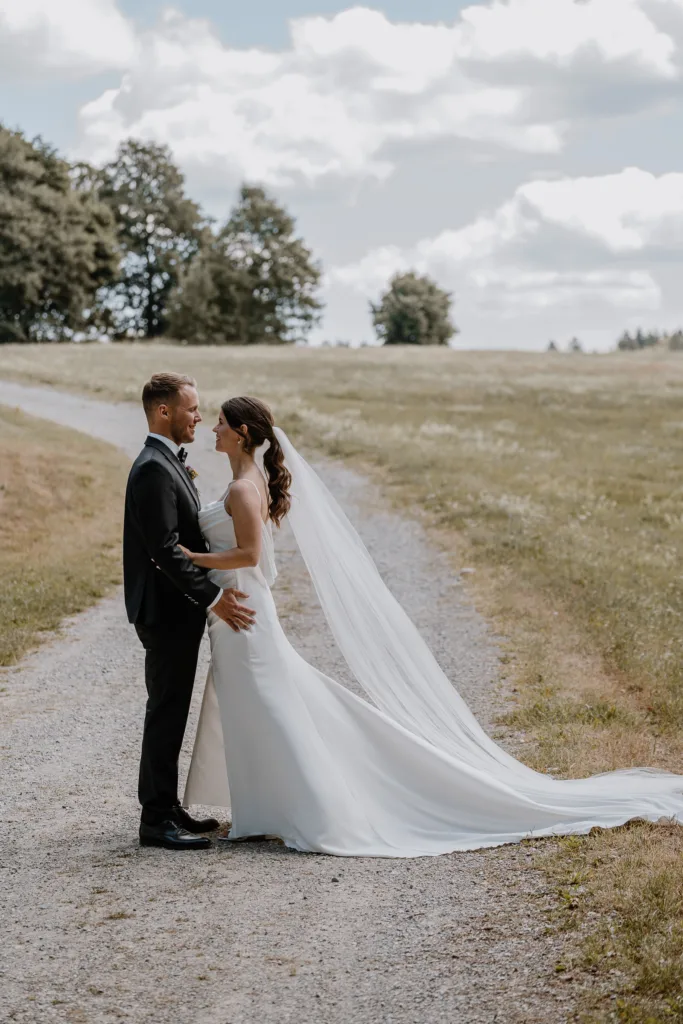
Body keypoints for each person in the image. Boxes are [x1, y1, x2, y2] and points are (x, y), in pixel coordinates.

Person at [180, 396, 683, 857]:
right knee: (260, 705)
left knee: (271, 704)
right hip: (238, 611)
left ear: (243, 432)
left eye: (221, 423)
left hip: (244, 612)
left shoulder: (246, 489)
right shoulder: (243, 483)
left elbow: (250, 553)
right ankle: (264, 809)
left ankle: (314, 809)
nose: (214, 430)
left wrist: (189, 556)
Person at [123, 373, 256, 851]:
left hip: (176, 609)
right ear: (164, 412)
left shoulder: (166, 461)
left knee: (172, 707)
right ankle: (155, 821)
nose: (199, 417)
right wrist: (215, 597)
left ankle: (167, 804)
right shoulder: (153, 468)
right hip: (164, 611)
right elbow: (164, 550)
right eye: (192, 409)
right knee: (165, 709)